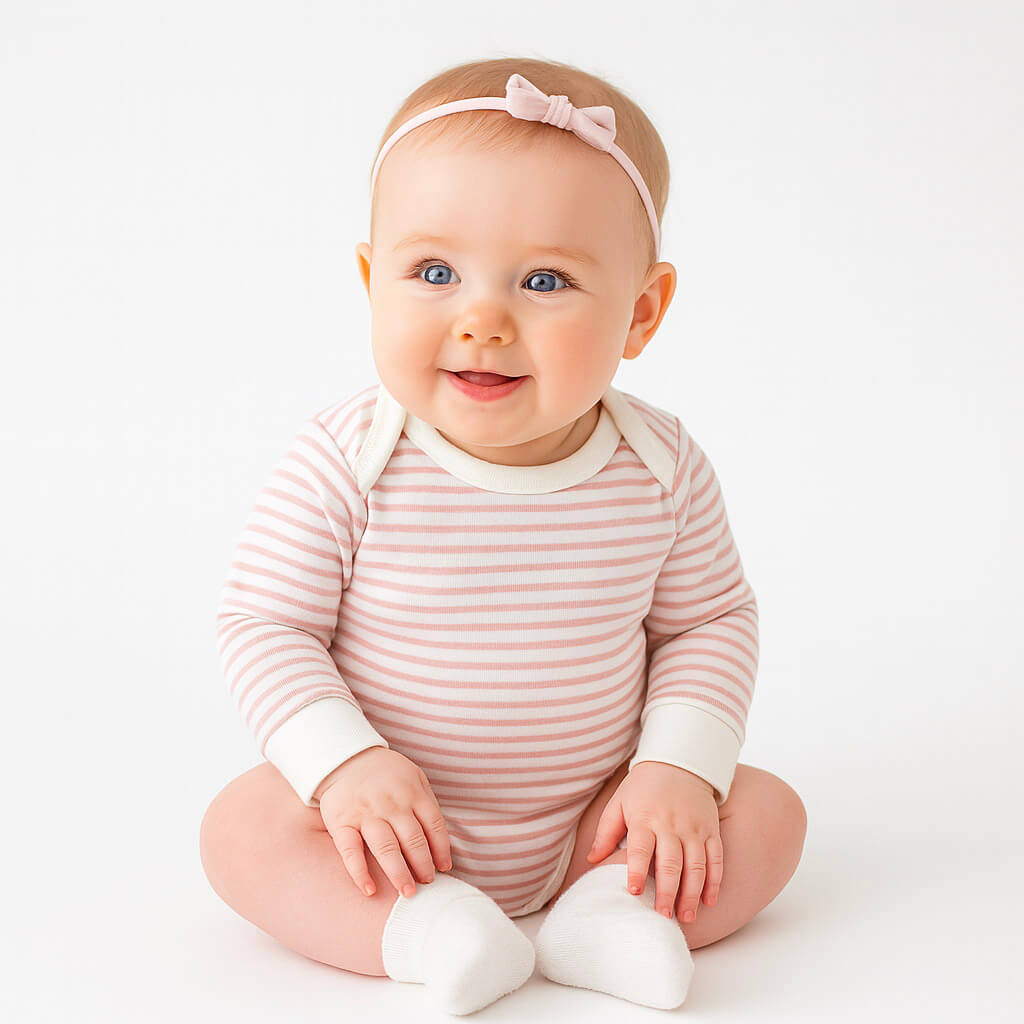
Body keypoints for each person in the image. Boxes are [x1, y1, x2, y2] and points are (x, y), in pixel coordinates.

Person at [199, 56, 807, 1016]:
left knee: (769, 813)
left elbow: (710, 623)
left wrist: (675, 769)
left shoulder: (660, 465)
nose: (481, 320)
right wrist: (346, 764)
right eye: (433, 272)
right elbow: (264, 625)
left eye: (545, 279)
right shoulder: (350, 459)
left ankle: (609, 911)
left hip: (598, 822)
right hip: (387, 832)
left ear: (641, 312)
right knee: (240, 831)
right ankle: (428, 930)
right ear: (370, 279)